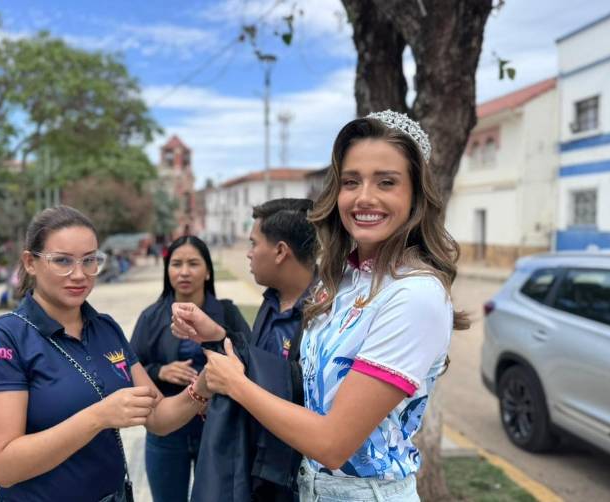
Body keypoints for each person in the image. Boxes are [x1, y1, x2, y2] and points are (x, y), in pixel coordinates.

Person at [185, 111, 469, 501]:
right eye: (351, 182)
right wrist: (222, 341)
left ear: (416, 194)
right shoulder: (345, 278)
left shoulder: (415, 294)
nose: (364, 197)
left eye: (386, 182)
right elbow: (303, 382)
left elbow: (334, 443)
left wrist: (237, 384)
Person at [0, 205, 213, 502]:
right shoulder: (3, 339)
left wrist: (201, 387)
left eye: (90, 260)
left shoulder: (105, 328)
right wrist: (99, 416)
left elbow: (158, 417)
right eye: (62, 261)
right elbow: (5, 466)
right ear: (30, 263)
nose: (79, 275)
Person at [170, 198, 318, 501]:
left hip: (295, 479)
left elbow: (300, 391)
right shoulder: (271, 302)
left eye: (253, 243)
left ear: (280, 252)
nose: (248, 253)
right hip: (259, 470)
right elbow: (259, 366)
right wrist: (217, 336)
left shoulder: (324, 313)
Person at [130, 235, 250, 502]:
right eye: (176, 264)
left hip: (218, 430)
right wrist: (160, 371)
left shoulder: (227, 313)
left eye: (193, 263)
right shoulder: (151, 317)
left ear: (208, 271)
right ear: (167, 270)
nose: (184, 272)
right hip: (167, 433)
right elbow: (128, 369)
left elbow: (251, 361)